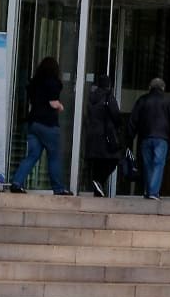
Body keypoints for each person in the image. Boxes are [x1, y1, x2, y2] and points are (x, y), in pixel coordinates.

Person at [15, 56, 66, 194]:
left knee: (32, 155)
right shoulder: (53, 82)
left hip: (33, 124)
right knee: (54, 156)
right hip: (48, 124)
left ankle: (17, 182)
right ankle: (58, 188)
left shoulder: (34, 83)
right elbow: (52, 102)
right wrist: (60, 106)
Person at [132, 77, 170, 200]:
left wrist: (129, 136)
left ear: (150, 88)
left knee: (147, 165)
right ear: (163, 88)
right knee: (158, 164)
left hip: (145, 137)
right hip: (162, 138)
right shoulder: (169, 101)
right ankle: (153, 192)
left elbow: (133, 119)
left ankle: (148, 190)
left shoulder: (143, 100)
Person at [78, 69, 126, 196]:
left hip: (91, 134)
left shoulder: (90, 98)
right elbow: (116, 115)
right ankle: (98, 181)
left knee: (97, 162)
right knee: (113, 160)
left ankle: (98, 188)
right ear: (109, 85)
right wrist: (120, 125)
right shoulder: (108, 97)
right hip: (106, 135)